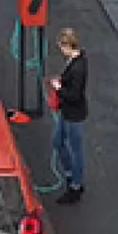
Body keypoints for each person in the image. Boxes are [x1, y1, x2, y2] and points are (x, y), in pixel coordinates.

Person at [46, 28, 89, 202]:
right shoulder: (76, 60)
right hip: (67, 111)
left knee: (75, 150)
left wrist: (58, 88)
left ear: (67, 46)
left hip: (73, 114)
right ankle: (70, 174)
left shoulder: (78, 68)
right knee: (58, 141)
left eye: (61, 47)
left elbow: (74, 95)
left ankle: (75, 186)